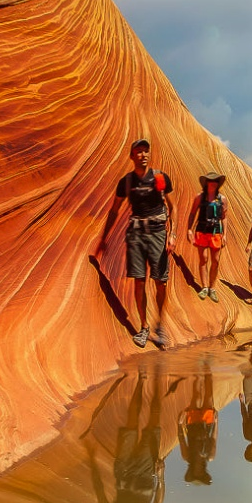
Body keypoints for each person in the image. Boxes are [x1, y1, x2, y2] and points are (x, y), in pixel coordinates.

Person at [95, 139, 175, 347]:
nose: (143, 155)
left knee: (161, 282)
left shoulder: (159, 178)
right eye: (139, 152)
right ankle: (144, 327)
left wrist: (172, 234)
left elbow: (171, 207)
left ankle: (160, 324)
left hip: (158, 232)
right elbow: (114, 210)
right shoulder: (127, 182)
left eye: (146, 151)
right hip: (136, 234)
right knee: (139, 281)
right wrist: (104, 238)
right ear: (132, 156)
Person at [88, 370, 166, 503]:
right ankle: (159, 380)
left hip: (123, 471)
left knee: (132, 424)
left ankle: (141, 380)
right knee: (153, 424)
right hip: (145, 476)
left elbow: (100, 492)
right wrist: (160, 476)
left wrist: (92, 461)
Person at [184, 171, 228, 302]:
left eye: (215, 181)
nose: (213, 183)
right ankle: (204, 287)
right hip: (202, 231)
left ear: (218, 183)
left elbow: (224, 217)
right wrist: (189, 229)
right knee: (203, 259)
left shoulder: (222, 199)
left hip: (216, 232)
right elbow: (192, 213)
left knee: (216, 260)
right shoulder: (199, 197)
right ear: (206, 183)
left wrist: (225, 235)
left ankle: (212, 288)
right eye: (210, 181)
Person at [177, 364, 218, 485]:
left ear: (192, 472)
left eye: (196, 474)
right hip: (208, 425)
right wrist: (216, 422)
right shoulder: (210, 456)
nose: (198, 471)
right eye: (200, 474)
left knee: (196, 396)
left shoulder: (187, 457)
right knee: (209, 397)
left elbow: (181, 438)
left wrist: (179, 423)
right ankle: (207, 369)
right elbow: (213, 438)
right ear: (204, 472)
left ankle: (196, 372)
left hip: (192, 425)